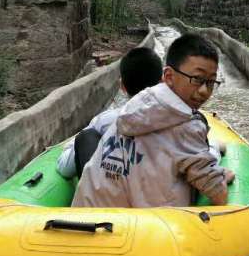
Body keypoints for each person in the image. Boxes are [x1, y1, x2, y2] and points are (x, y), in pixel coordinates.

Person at [72, 33, 234, 208]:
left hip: (90, 223)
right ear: (169, 76)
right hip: (147, 230)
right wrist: (219, 180)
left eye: (210, 83)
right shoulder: (188, 125)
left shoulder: (131, 108)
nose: (204, 91)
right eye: (197, 79)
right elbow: (218, 193)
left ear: (123, 87)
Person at [57, 46, 163, 179]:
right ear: (163, 81)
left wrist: (70, 145)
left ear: (122, 86)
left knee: (85, 137)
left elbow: (65, 168)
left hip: (117, 195)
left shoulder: (105, 121)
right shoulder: (182, 120)